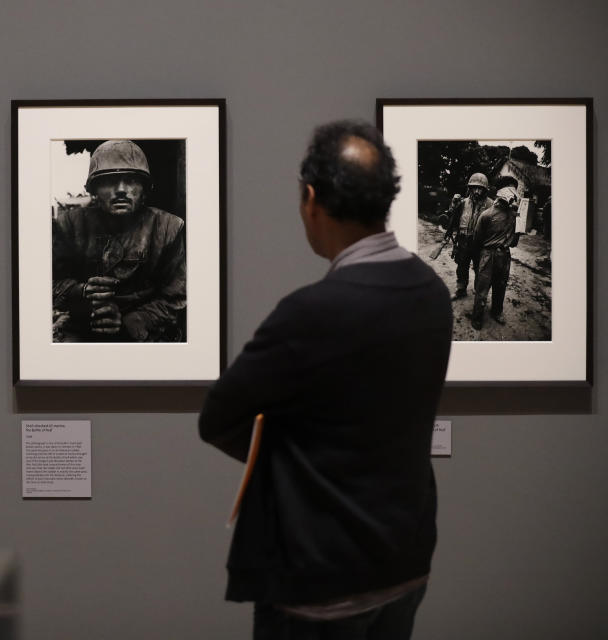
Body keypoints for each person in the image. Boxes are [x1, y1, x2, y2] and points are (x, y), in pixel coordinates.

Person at [198, 120, 453, 640]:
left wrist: (293, 463)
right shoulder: (431, 293)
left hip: (321, 576)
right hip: (404, 561)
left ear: (311, 199)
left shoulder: (310, 312)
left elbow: (218, 418)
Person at [51, 140, 186, 342]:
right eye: (109, 181)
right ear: (94, 189)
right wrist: (83, 293)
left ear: (145, 190)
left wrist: (132, 322)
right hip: (84, 324)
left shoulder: (168, 228)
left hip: (148, 329)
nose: (121, 189)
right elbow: (50, 283)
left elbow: (175, 297)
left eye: (131, 180)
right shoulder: (68, 226)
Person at [470, 186, 520, 330]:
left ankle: (497, 312)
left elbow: (514, 243)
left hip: (504, 255)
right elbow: (477, 240)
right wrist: (478, 260)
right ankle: (477, 317)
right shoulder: (486, 215)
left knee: (501, 285)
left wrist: (518, 228)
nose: (510, 203)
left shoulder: (514, 217)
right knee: (482, 288)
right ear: (500, 199)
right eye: (508, 200)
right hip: (488, 254)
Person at [446, 172, 493, 298]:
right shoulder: (462, 202)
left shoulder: (491, 205)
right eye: (474, 188)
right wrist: (453, 205)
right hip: (463, 240)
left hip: (480, 243)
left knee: (480, 269)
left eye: (480, 188)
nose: (477, 191)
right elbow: (452, 217)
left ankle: (479, 293)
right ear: (470, 188)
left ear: (485, 190)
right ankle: (461, 289)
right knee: (461, 267)